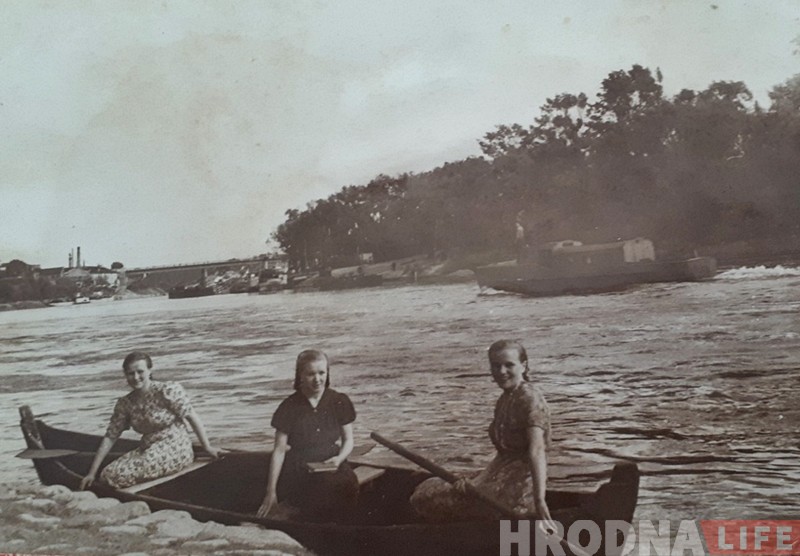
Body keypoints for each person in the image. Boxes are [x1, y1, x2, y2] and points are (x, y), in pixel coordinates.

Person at [410, 339, 554, 526]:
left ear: (523, 366)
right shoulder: (505, 398)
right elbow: (502, 455)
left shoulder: (530, 398)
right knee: (426, 489)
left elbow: (537, 450)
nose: (501, 372)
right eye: (496, 366)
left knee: (426, 498)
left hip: (519, 489)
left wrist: (539, 500)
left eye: (509, 365)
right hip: (500, 476)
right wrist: (478, 481)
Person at [80, 351, 222, 490]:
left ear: (149, 371)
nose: (136, 377)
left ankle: (160, 486)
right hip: (147, 448)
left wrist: (207, 447)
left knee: (124, 473)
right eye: (130, 373)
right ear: (125, 375)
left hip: (176, 446)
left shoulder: (167, 390)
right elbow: (111, 437)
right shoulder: (125, 403)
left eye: (140, 371)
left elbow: (191, 416)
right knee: (107, 475)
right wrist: (91, 473)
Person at [257, 349, 358, 521]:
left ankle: (340, 523)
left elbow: (348, 440)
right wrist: (270, 492)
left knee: (349, 482)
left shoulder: (339, 400)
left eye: (321, 373)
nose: (317, 379)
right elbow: (279, 451)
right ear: (300, 376)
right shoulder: (289, 407)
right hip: (300, 466)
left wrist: (339, 459)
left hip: (332, 461)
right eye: (311, 374)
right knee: (322, 488)